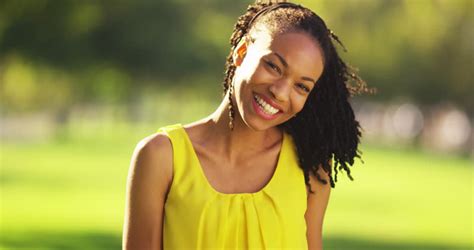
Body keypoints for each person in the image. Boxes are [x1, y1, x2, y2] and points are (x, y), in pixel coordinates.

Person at [123, 1, 368, 249]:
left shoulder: (311, 168)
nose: (281, 93)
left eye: (301, 86)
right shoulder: (161, 157)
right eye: (273, 66)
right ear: (241, 52)